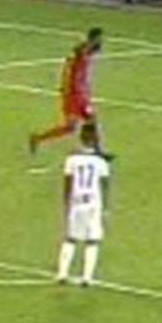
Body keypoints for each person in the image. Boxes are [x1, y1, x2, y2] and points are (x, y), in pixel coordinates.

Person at [30, 28, 104, 154]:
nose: (100, 41)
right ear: (93, 38)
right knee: (70, 127)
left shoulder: (89, 52)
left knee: (92, 120)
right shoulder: (81, 51)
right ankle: (38, 138)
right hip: (72, 95)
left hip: (82, 94)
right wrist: (64, 86)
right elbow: (69, 65)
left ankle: (98, 151)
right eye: (98, 38)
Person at [55, 123, 111, 287]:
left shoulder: (72, 159)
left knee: (71, 238)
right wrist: (106, 207)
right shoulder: (100, 162)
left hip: (76, 202)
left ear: (81, 138)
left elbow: (68, 182)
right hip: (93, 202)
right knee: (92, 239)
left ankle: (62, 273)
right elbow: (104, 184)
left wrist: (66, 203)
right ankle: (87, 277)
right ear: (95, 139)